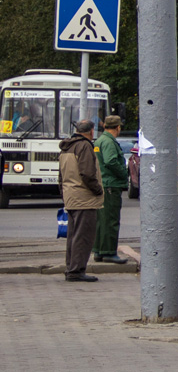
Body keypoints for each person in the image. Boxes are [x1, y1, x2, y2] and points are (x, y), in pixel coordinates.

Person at [58, 120, 103, 282]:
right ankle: (76, 271)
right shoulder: (84, 146)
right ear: (91, 132)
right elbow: (87, 173)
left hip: (71, 196)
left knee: (73, 235)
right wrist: (98, 190)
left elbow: (61, 177)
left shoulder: (66, 147)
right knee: (83, 236)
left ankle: (71, 267)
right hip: (84, 197)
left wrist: (64, 194)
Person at [93, 115, 129, 264]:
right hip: (111, 185)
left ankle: (99, 251)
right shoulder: (108, 142)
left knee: (102, 220)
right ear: (118, 127)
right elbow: (110, 161)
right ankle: (109, 252)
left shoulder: (100, 140)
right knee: (111, 220)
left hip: (104, 184)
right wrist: (123, 173)